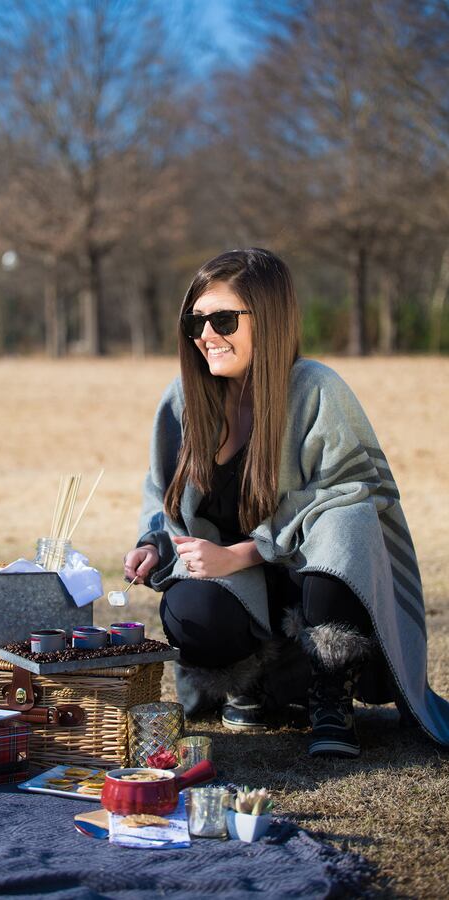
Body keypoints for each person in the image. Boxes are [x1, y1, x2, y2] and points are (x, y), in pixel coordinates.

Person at [123, 248, 449, 759]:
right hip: (238, 592)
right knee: (190, 608)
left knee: (345, 525)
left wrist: (244, 552)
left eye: (224, 320)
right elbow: (162, 497)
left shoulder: (317, 389)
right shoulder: (184, 399)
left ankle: (329, 696)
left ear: (269, 319)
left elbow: (353, 498)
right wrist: (153, 543)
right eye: (196, 321)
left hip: (313, 588)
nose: (206, 334)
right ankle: (245, 686)